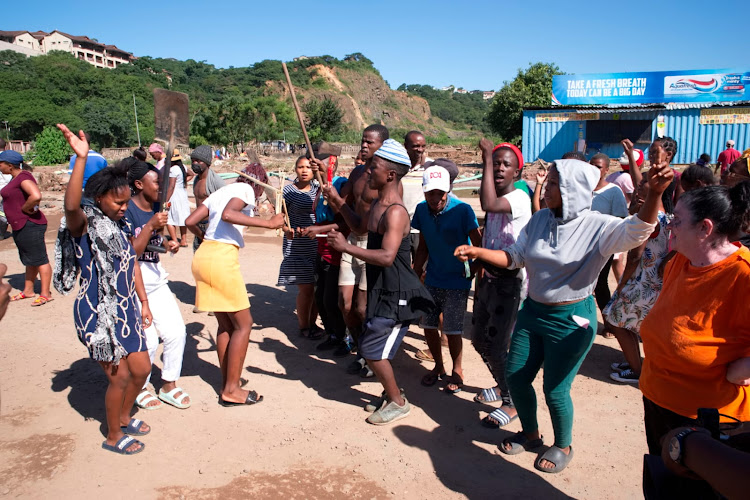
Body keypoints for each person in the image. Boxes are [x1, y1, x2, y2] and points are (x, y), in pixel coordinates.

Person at [456, 157, 674, 473]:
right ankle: (530, 434)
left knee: (555, 390)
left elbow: (639, 230)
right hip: (532, 312)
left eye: (555, 183)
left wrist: (654, 194)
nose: (547, 189)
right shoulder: (540, 219)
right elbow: (515, 257)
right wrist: (477, 252)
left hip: (572, 319)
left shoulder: (597, 225)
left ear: (573, 190)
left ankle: (563, 444)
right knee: (516, 378)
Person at [54, 124, 152, 455]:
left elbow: (132, 262)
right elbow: (70, 207)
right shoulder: (84, 224)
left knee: (142, 368)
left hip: (126, 307)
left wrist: (143, 301)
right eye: (118, 202)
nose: (124, 208)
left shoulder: (119, 226)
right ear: (100, 198)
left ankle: (124, 416)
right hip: (96, 311)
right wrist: (81, 159)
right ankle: (113, 436)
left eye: (127, 203)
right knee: (120, 377)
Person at [639, 181, 750, 457]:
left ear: (705, 228)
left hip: (707, 419)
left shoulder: (743, 275)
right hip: (658, 399)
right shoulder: (680, 261)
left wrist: (744, 368)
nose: (670, 226)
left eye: (677, 220)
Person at [327, 139, 434, 425]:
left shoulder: (396, 211)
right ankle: (391, 394)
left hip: (397, 291)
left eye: (373, 167)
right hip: (381, 289)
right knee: (371, 343)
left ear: (390, 175)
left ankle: (398, 401)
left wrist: (346, 248)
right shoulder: (378, 204)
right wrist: (338, 202)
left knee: (373, 351)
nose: (368, 171)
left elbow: (387, 256)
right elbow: (360, 227)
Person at [186, 182, 285, 406]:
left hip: (205, 255)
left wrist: (203, 236)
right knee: (244, 324)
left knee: (227, 326)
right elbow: (229, 215)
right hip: (221, 259)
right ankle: (231, 389)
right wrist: (268, 224)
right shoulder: (245, 189)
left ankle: (229, 381)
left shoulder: (219, 193)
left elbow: (190, 221)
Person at [469, 139, 531, 429]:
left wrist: (484, 158)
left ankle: (512, 402)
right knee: (480, 340)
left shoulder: (518, 198)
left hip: (511, 284)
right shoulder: (497, 196)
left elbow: (488, 203)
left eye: (505, 165)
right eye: (495, 163)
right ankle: (502, 384)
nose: (498, 169)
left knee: (499, 347)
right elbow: (489, 234)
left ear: (517, 173)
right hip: (490, 280)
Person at [124, 160, 191, 411]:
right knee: (148, 340)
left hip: (155, 277)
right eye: (156, 183)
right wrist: (152, 225)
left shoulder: (155, 207)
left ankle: (168, 385)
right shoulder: (126, 210)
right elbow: (131, 253)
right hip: (134, 281)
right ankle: (139, 386)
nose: (160, 189)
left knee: (176, 332)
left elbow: (155, 240)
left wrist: (166, 244)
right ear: (139, 185)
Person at [603, 149, 675, 384]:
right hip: (651, 282)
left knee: (615, 320)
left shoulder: (650, 220)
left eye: (642, 185)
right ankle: (634, 360)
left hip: (643, 282)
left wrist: (622, 283)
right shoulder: (664, 215)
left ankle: (637, 371)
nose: (636, 189)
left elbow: (636, 255)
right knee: (628, 322)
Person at [324, 124, 387, 377]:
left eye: (370, 142)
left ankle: (371, 355)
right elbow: (341, 204)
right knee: (344, 304)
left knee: (363, 308)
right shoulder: (357, 173)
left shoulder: (386, 178)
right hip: (351, 239)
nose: (364, 145)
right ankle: (362, 349)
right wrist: (327, 180)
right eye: (363, 140)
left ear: (382, 145)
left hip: (371, 242)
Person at [412, 165, 480, 394]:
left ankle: (457, 369)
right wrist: (415, 272)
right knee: (428, 325)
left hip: (457, 281)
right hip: (432, 277)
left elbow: (478, 244)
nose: (435, 198)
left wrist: (474, 269)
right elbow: (422, 246)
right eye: (430, 193)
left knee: (452, 330)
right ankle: (438, 367)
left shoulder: (463, 210)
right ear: (424, 192)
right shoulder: (421, 211)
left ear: (448, 189)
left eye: (440, 193)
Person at [298, 149, 349, 356]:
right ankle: (332, 335)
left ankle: (345, 338)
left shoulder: (341, 185)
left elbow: (346, 220)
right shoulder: (318, 187)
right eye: (313, 162)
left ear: (333, 163)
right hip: (321, 249)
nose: (314, 166)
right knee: (320, 298)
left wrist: (319, 229)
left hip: (336, 251)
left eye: (320, 162)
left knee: (332, 300)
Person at [0, 150, 53, 306]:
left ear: (10, 165)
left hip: (30, 224)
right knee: (30, 260)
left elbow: (36, 195)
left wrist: (26, 208)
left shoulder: (23, 178)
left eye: (1, 164)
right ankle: (28, 290)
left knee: (40, 259)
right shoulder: (16, 178)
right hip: (21, 225)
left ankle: (45, 293)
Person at [277, 156, 320, 339]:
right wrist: (287, 229)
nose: (304, 170)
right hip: (296, 245)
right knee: (307, 288)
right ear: (295, 169)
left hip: (316, 244)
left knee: (317, 289)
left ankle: (313, 323)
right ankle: (304, 327)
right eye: (300, 167)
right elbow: (280, 217)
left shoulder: (319, 190)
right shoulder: (287, 191)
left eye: (308, 167)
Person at [589, 153, 629, 337]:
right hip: (582, 244)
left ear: (606, 170)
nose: (594, 169)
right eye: (592, 165)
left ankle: (608, 325)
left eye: (598, 166)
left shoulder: (613, 192)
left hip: (603, 246)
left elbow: (620, 219)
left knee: (600, 284)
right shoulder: (583, 188)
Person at [190, 144, 226, 253]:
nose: (195, 163)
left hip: (212, 225)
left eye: (198, 161)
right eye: (193, 160)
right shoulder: (196, 180)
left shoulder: (216, 181)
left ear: (207, 163)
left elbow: (227, 201)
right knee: (198, 255)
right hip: (199, 226)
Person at [165, 149, 194, 247]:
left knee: (169, 218)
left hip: (174, 195)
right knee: (182, 217)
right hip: (183, 193)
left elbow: (171, 186)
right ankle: (183, 240)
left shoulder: (173, 170)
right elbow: (192, 174)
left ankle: (174, 240)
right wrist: (183, 182)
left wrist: (166, 200)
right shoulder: (183, 167)